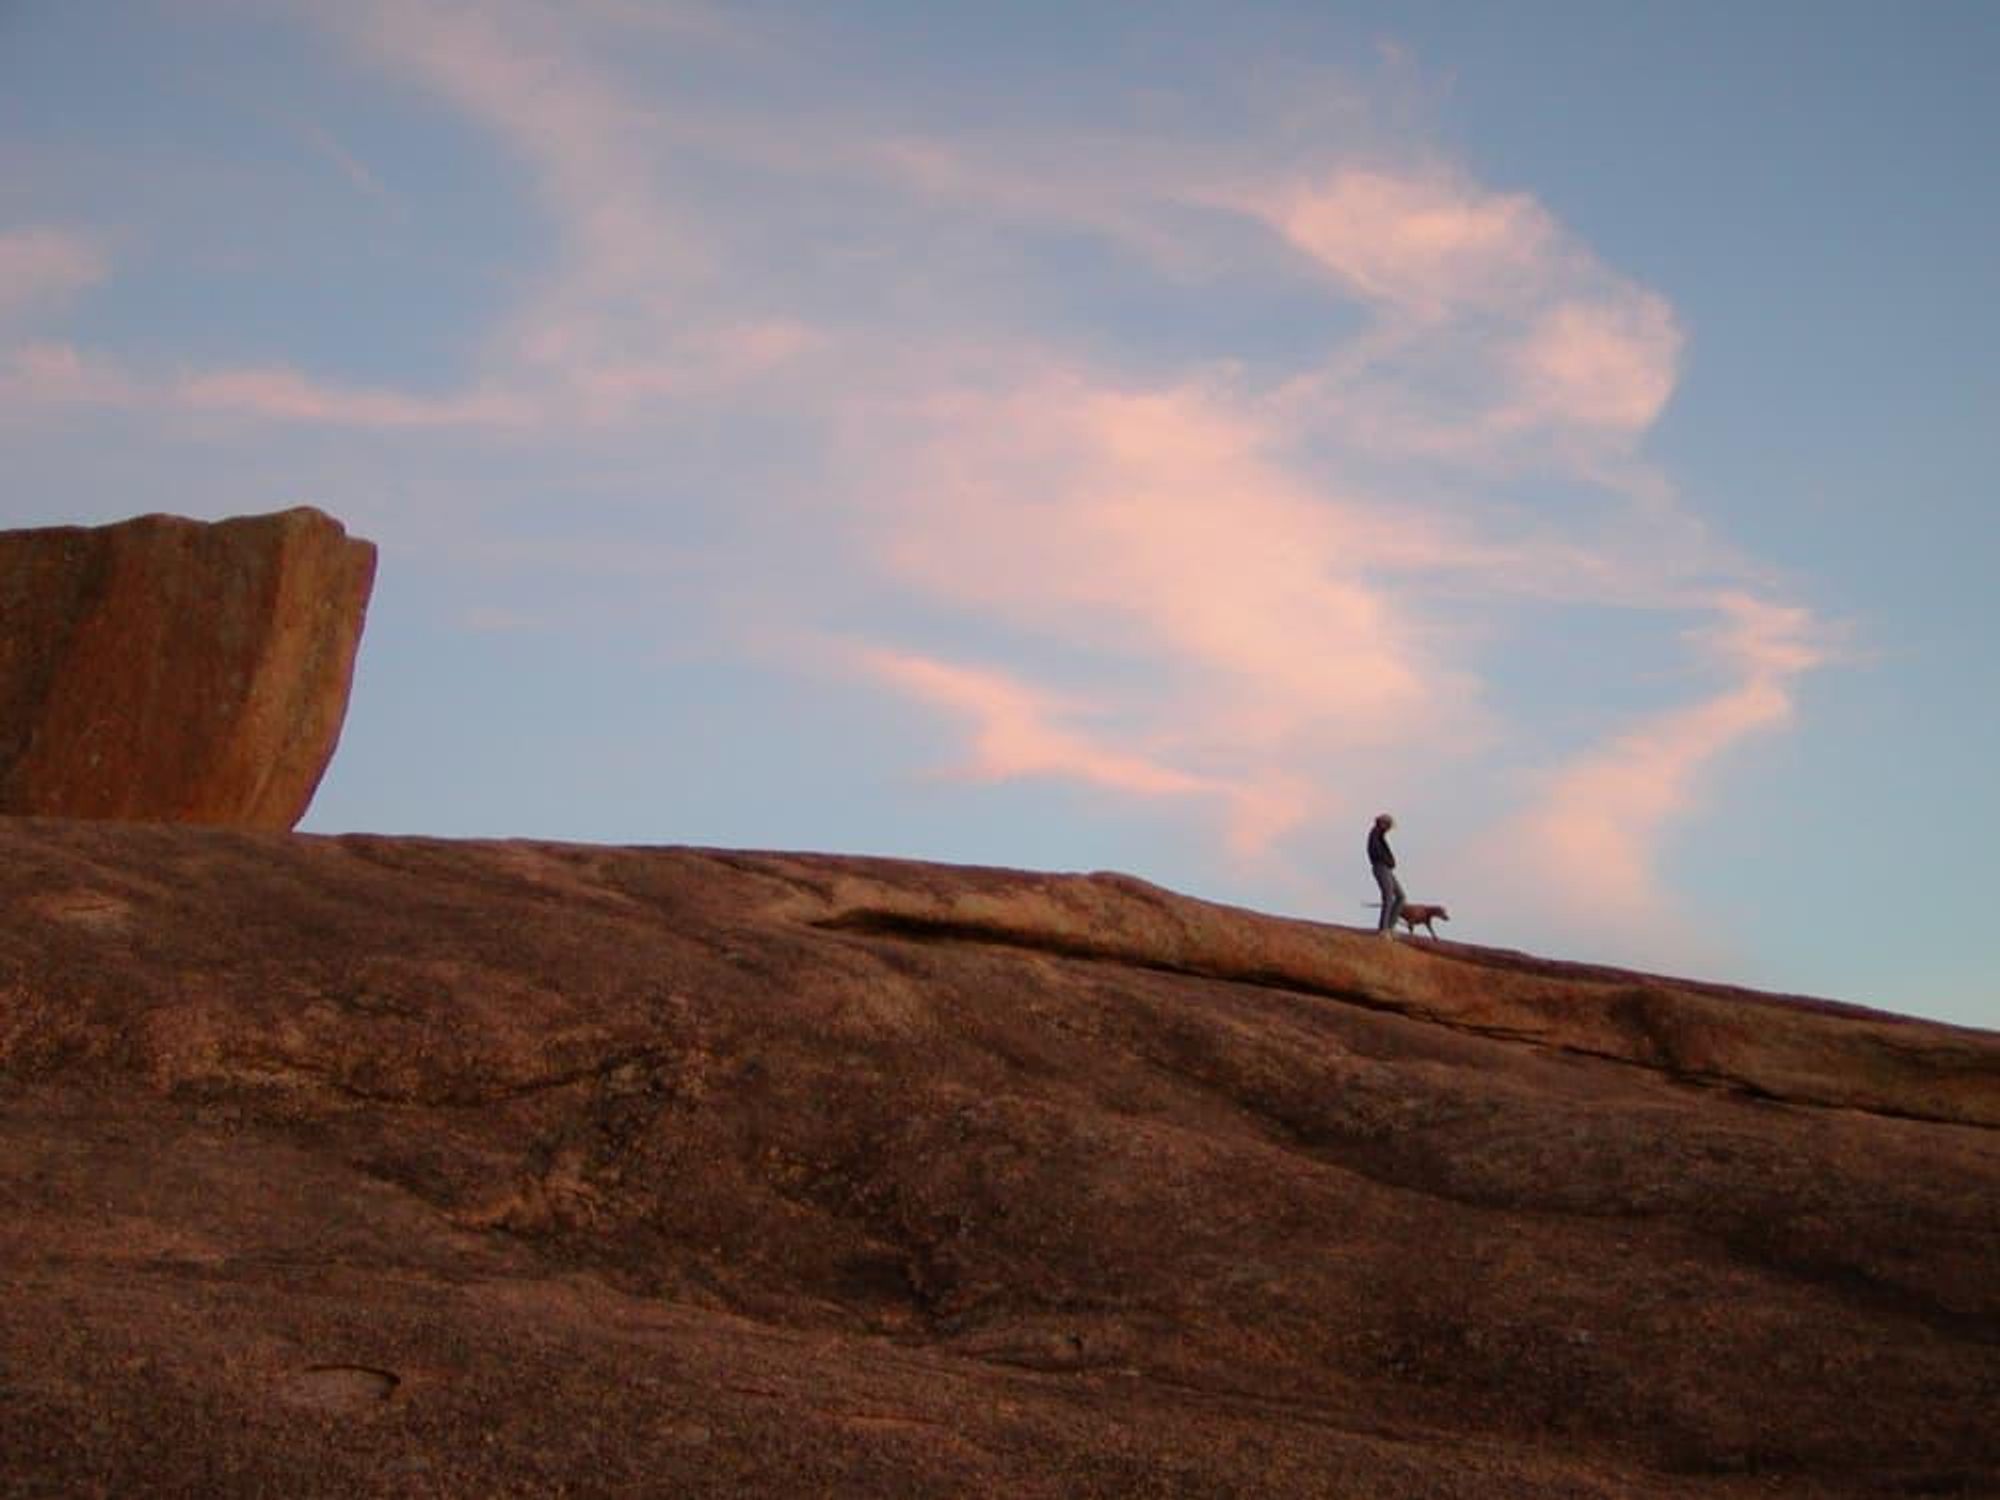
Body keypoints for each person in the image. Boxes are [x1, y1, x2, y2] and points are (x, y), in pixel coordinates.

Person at [1368, 813, 1405, 938]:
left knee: (1401, 896)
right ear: (1383, 824)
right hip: (1381, 868)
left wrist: (1390, 862)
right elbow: (1376, 854)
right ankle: (1383, 930)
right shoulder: (1374, 835)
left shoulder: (1379, 835)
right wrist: (1388, 861)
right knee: (1388, 897)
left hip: (1386, 869)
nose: (1389, 829)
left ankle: (1389, 927)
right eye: (1388, 825)